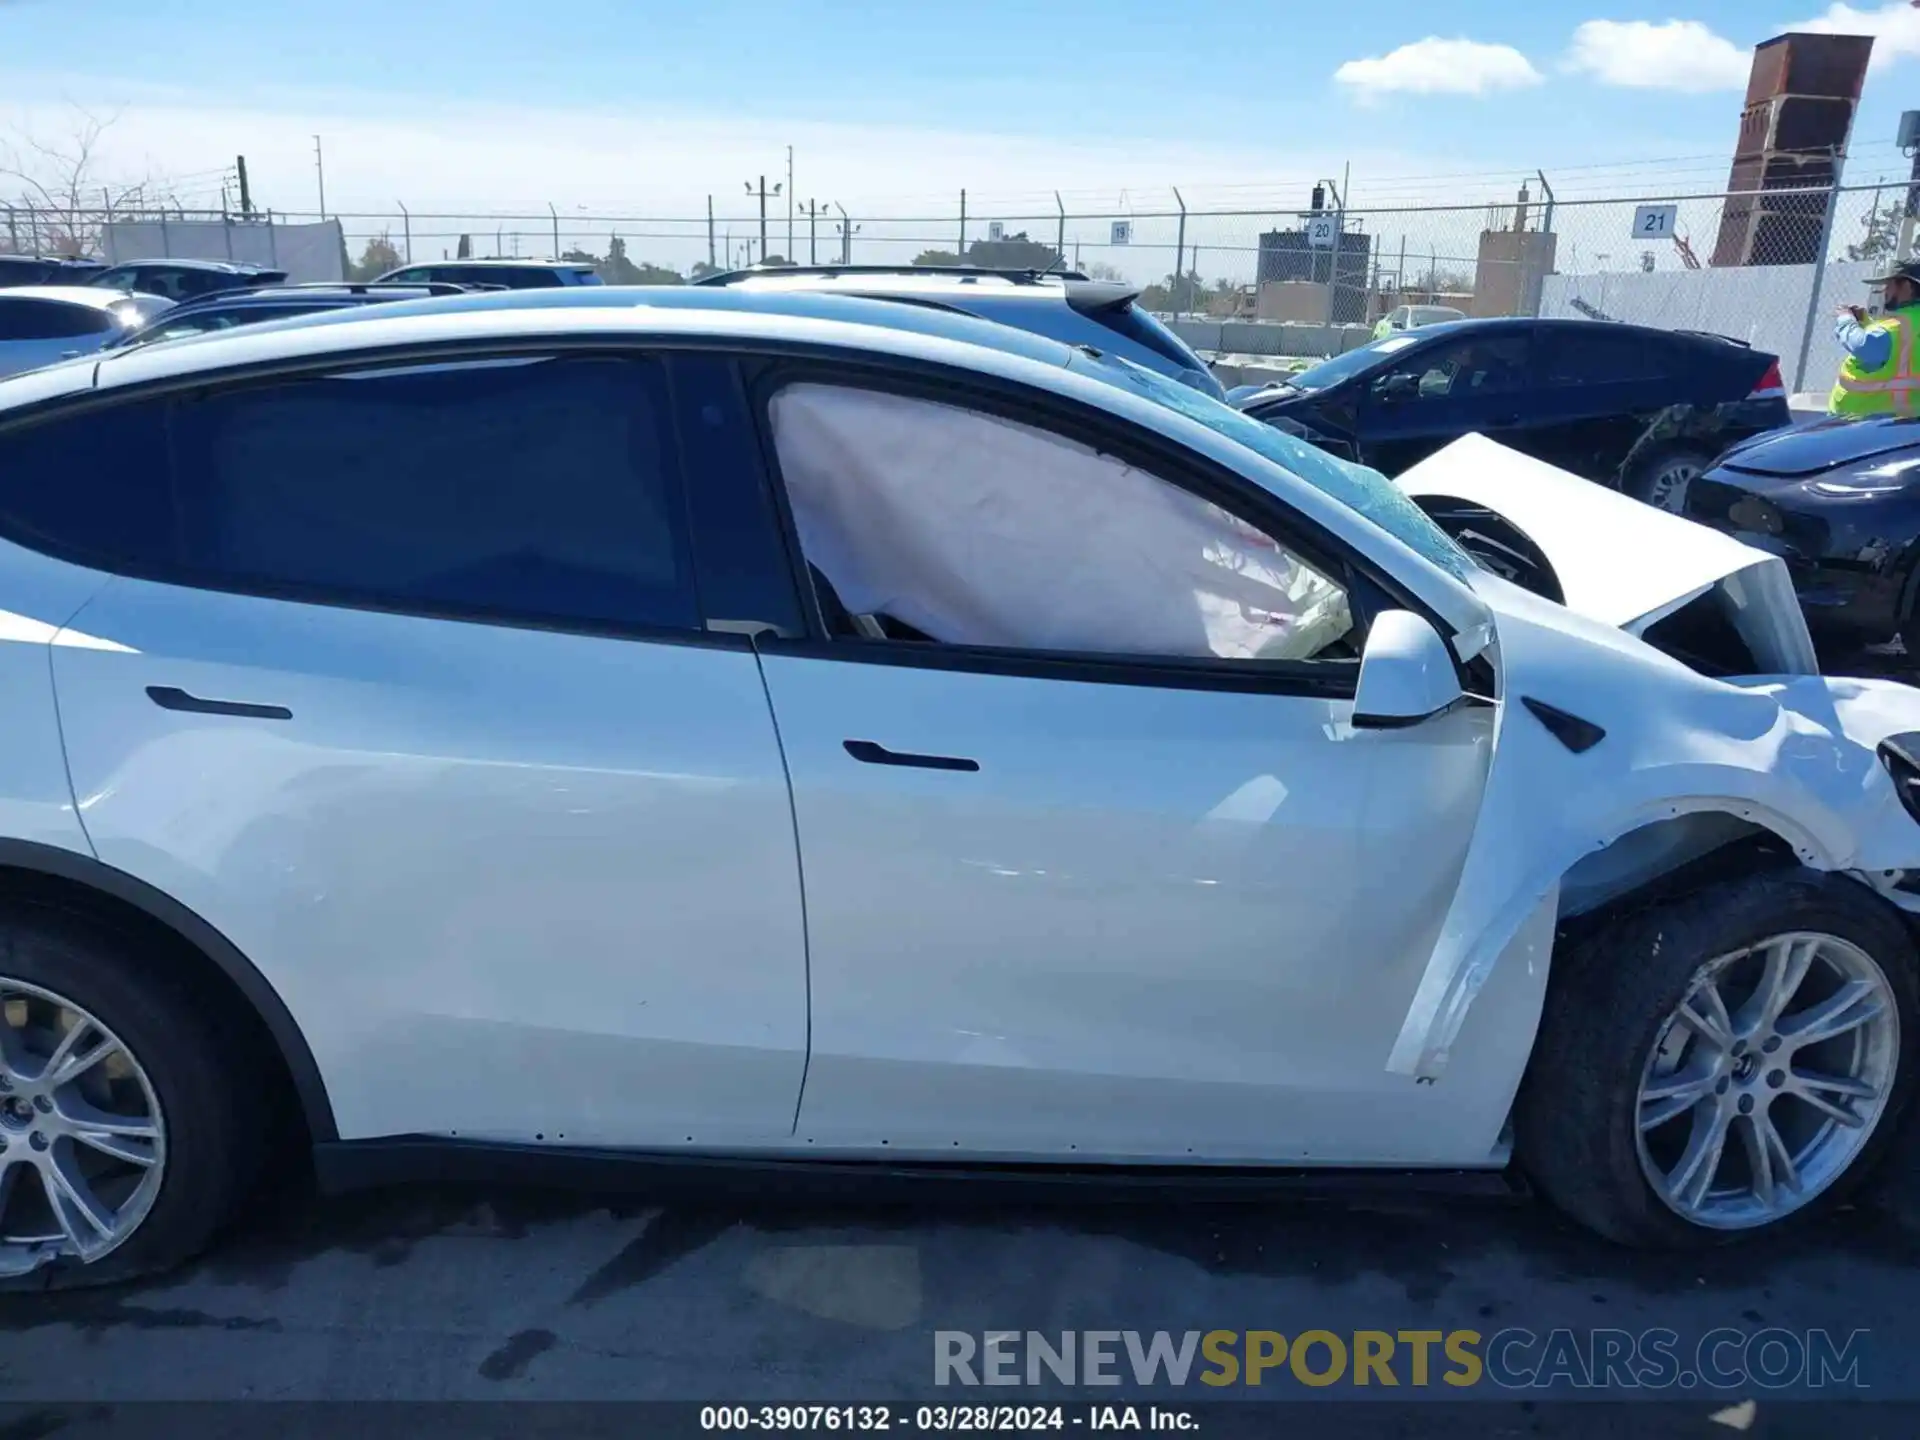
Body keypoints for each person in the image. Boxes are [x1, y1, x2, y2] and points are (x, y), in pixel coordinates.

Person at [1830, 259, 1920, 417]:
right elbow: (1901, 349)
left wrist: (1846, 319)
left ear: (1906, 286)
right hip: (1908, 420)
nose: (1885, 291)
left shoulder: (1896, 327)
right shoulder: (1907, 325)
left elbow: (1862, 345)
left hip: (1864, 421)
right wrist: (1866, 324)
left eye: (1889, 285)